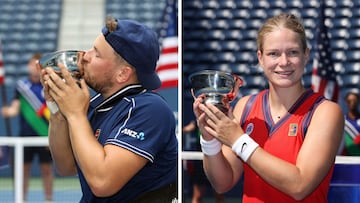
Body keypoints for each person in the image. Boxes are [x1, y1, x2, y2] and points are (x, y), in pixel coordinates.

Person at [193, 13, 344, 203]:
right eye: (274, 53)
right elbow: (223, 183)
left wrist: (238, 140)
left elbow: (300, 186)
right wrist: (210, 139)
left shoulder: (325, 112)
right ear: (261, 57)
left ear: (306, 55)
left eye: (293, 52)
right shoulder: (245, 107)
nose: (283, 62)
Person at [38, 17, 178, 202]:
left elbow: (102, 183)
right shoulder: (97, 104)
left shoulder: (150, 109)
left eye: (96, 54)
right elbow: (66, 166)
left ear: (123, 73)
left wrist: (75, 114)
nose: (85, 56)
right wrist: (57, 111)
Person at [1, 53, 53, 201]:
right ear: (28, 67)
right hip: (25, 137)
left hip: (45, 136)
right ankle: (21, 199)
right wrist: (8, 111)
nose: (34, 69)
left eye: (37, 65)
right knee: (23, 171)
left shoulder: (48, 86)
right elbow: (15, 109)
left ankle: (49, 199)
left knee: (47, 170)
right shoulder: (21, 87)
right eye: (32, 65)